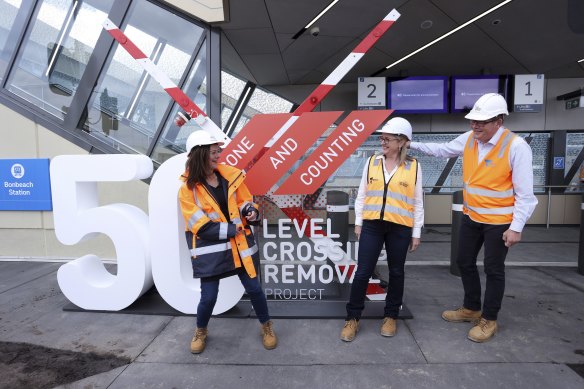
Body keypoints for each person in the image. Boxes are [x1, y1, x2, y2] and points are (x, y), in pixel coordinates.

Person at [408, 93, 538, 342]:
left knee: (493, 269)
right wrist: (410, 143)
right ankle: (471, 308)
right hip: (471, 216)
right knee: (463, 262)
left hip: (499, 222)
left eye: (482, 121)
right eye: (473, 121)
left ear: (499, 122)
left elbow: (525, 195)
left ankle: (489, 319)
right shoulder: (470, 139)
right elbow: (443, 150)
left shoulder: (517, 147)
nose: (475, 125)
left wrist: (516, 227)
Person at [178, 130, 277, 354]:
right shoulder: (187, 190)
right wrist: (235, 229)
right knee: (209, 296)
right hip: (212, 252)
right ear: (199, 154)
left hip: (240, 247)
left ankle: (267, 326)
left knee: (254, 289)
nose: (218, 155)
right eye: (214, 152)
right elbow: (201, 227)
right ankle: (201, 330)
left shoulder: (230, 177)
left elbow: (245, 201)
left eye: (218, 151)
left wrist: (251, 211)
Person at [340, 117, 424, 342]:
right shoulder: (372, 162)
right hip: (372, 226)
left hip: (400, 228)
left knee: (397, 272)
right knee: (363, 271)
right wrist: (358, 222)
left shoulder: (414, 166)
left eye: (387, 138)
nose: (383, 142)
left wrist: (416, 232)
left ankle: (391, 316)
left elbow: (417, 203)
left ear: (402, 141)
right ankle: (353, 318)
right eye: (382, 138)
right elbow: (362, 194)